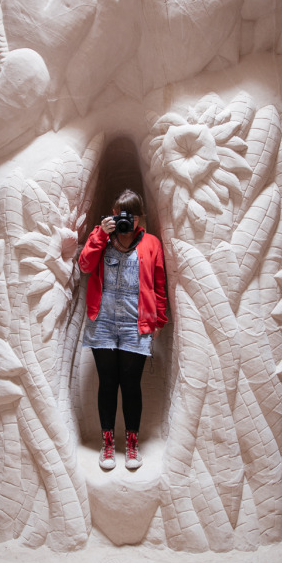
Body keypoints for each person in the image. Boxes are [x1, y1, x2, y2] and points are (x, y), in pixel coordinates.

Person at [78, 189, 168, 470]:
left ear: (138, 218)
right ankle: (107, 445)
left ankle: (131, 444)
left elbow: (159, 283)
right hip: (102, 322)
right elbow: (84, 265)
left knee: (130, 386)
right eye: (118, 214)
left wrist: (160, 320)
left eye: (127, 215)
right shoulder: (102, 237)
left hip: (136, 324)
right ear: (112, 214)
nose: (122, 220)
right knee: (107, 383)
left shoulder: (151, 243)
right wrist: (99, 235)